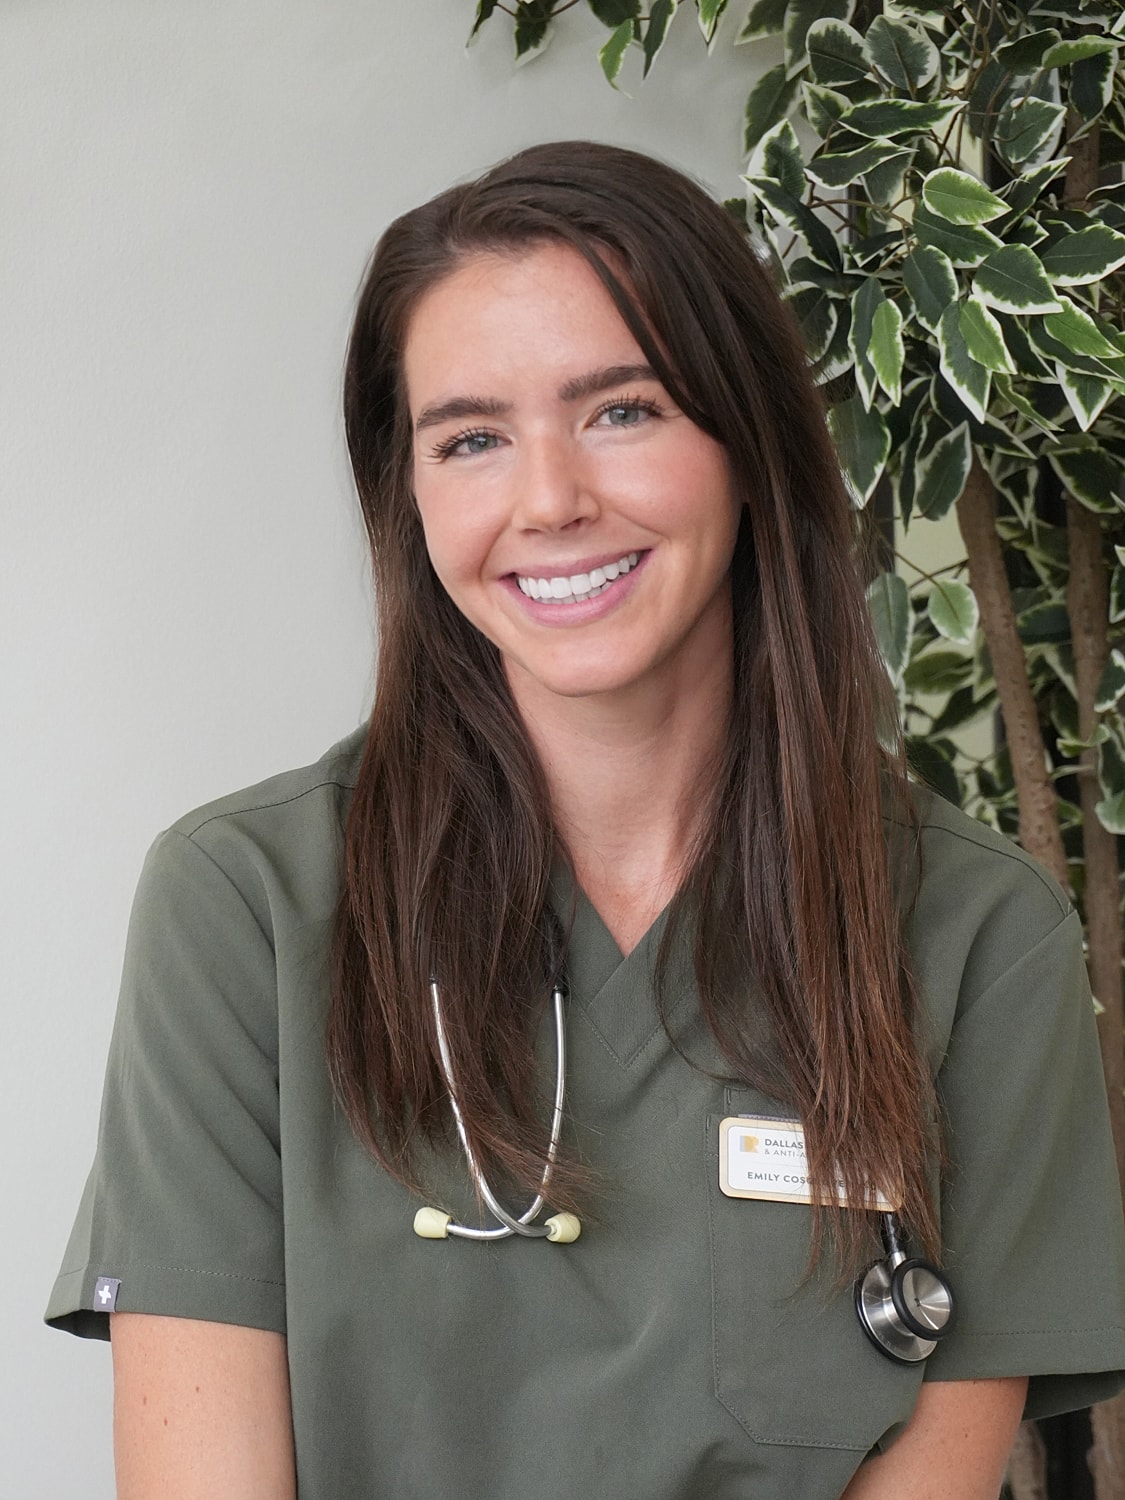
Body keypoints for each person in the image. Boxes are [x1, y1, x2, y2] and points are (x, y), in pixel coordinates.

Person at [47, 140, 1125, 1500]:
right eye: (473, 438)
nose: (547, 499)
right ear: (414, 494)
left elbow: (944, 1460)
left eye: (620, 411)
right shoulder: (245, 904)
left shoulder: (976, 937)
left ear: (747, 446)